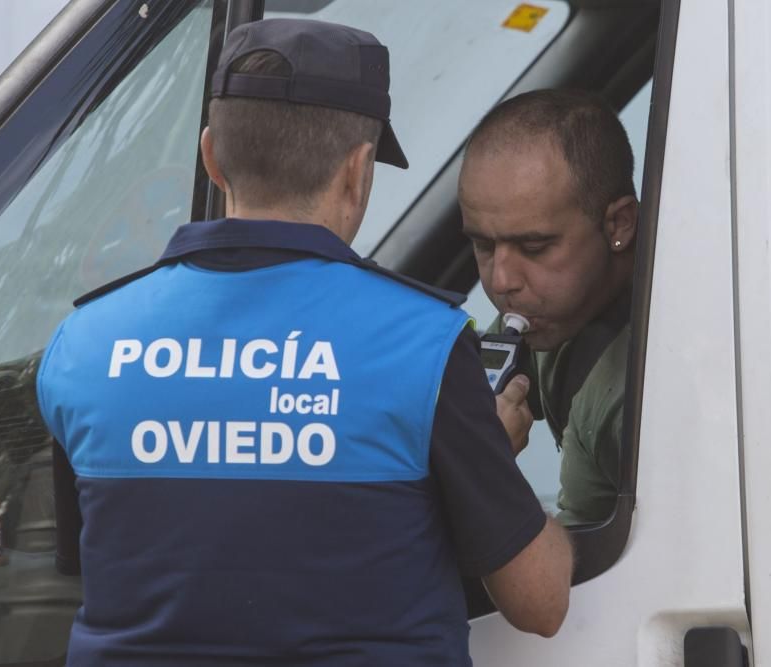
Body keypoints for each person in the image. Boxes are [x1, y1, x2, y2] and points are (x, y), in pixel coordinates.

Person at [37, 18, 572, 666]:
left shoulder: (82, 345)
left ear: (210, 155)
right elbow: (540, 602)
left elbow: (100, 566)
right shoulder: (421, 346)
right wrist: (488, 460)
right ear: (358, 171)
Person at [459, 89, 638, 526]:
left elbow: (579, 580)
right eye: (483, 246)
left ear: (618, 225)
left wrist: (481, 473)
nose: (502, 281)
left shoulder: (633, 398)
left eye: (534, 247)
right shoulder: (548, 309)